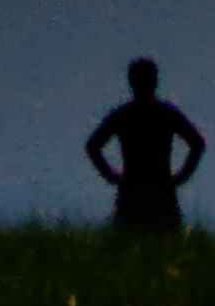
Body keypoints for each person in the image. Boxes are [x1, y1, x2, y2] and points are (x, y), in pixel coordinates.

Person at [85, 56, 205, 235]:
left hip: (138, 189)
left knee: (132, 247)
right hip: (155, 189)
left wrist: (111, 175)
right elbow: (197, 143)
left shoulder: (125, 115)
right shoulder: (164, 113)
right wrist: (181, 177)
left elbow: (93, 146)